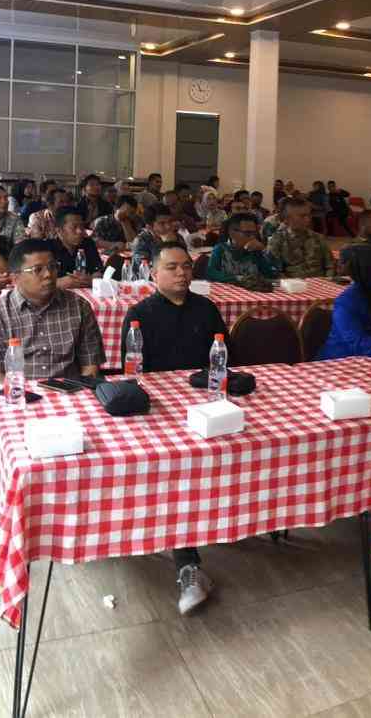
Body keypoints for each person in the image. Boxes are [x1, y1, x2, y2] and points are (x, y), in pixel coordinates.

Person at [119, 241, 225, 614]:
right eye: (172, 267)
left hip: (204, 404)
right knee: (179, 467)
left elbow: (224, 362)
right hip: (159, 411)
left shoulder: (206, 309)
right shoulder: (139, 315)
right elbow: (133, 373)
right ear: (153, 273)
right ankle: (188, 565)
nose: (181, 273)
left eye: (186, 267)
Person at [0, 239, 105, 385]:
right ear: (15, 278)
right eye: (37, 270)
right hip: (19, 393)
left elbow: (91, 366)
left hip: (72, 391)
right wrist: (17, 395)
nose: (48, 274)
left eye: (52, 267)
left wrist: (80, 391)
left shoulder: (79, 306)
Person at [207, 212, 281, 287]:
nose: (252, 237)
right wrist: (238, 278)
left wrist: (264, 250)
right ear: (231, 233)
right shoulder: (220, 249)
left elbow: (271, 274)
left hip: (252, 292)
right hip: (227, 291)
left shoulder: (255, 251)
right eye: (247, 233)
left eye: (254, 233)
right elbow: (211, 273)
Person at [267, 199, 335, 279]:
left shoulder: (318, 238)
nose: (308, 220)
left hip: (321, 281)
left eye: (309, 215)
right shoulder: (278, 240)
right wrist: (290, 283)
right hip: (293, 283)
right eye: (302, 216)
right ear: (287, 219)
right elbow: (275, 270)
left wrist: (328, 280)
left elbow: (330, 265)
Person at [49, 208, 103, 287]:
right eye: (74, 227)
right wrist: (58, 283)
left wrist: (92, 279)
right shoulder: (47, 249)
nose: (80, 231)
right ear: (59, 231)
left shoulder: (88, 243)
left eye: (82, 226)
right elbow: (37, 282)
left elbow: (98, 271)